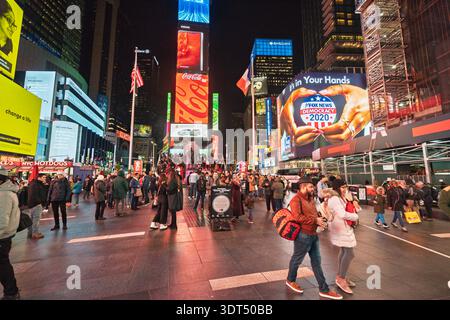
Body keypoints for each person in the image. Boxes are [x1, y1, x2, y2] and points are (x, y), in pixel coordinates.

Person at [286, 177, 343, 300]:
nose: (313, 189)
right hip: (302, 235)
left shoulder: (310, 198)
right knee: (297, 259)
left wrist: (320, 219)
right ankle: (290, 280)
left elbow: (313, 213)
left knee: (317, 262)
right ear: (303, 187)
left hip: (313, 235)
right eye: (311, 187)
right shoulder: (296, 200)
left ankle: (324, 289)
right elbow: (297, 217)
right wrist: (314, 220)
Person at [327, 179, 359, 295]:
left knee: (344, 250)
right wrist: (355, 216)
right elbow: (342, 214)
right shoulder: (335, 199)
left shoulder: (340, 197)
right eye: (342, 187)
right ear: (337, 188)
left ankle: (341, 276)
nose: (345, 189)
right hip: (341, 228)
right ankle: (341, 278)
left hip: (342, 227)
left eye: (346, 186)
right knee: (350, 253)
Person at [0, 166, 20, 300]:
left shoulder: (4, 194)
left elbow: (1, 220)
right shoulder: (6, 192)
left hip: (2, 236)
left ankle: (11, 292)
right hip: (5, 235)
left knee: (2, 265)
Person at [26, 174, 47, 240]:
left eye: (45, 177)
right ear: (39, 178)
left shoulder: (34, 183)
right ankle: (35, 233)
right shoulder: (36, 184)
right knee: (36, 219)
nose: (45, 179)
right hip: (36, 204)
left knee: (32, 219)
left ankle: (30, 233)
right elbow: (35, 195)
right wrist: (39, 202)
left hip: (32, 204)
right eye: (43, 177)